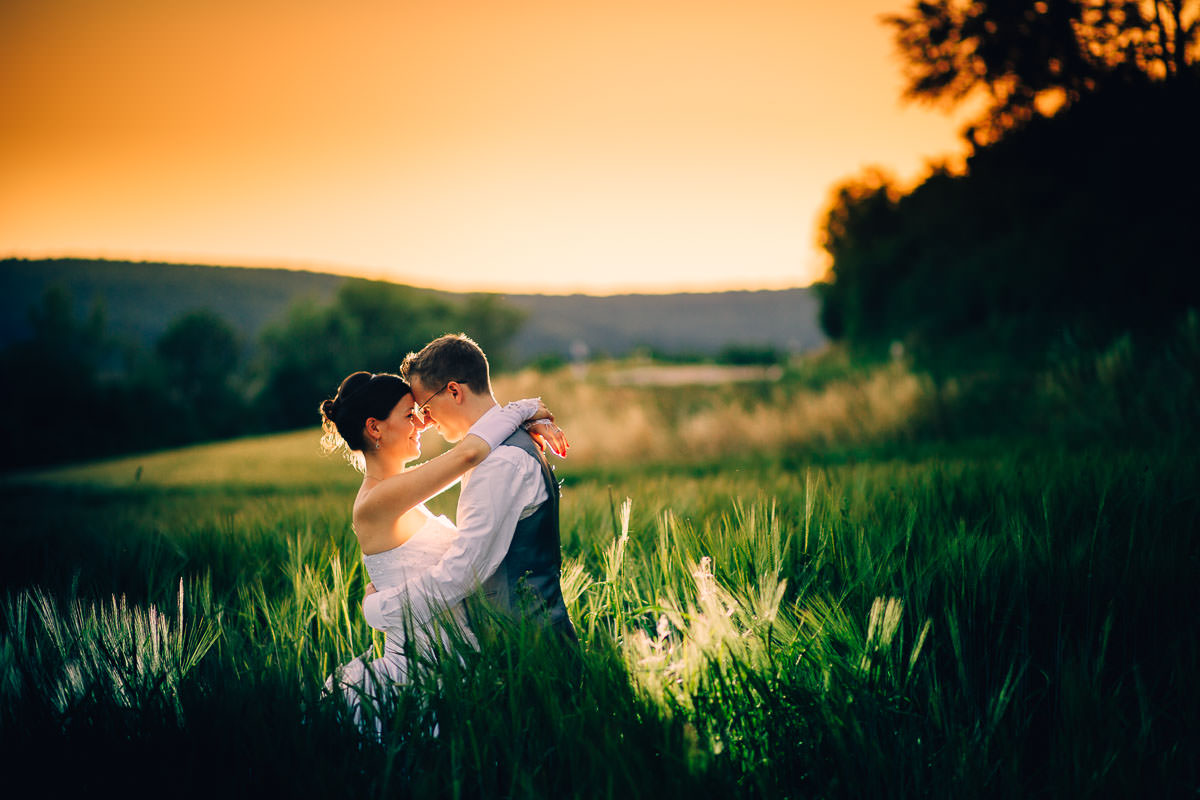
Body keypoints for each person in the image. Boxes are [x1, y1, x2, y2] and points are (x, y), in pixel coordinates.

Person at [318, 369, 567, 724]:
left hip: (452, 661)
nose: (422, 423)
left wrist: (522, 430)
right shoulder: (376, 500)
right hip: (419, 674)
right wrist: (526, 409)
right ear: (375, 428)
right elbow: (468, 455)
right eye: (409, 416)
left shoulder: (398, 492)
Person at [362, 333, 580, 650]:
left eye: (424, 407)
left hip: (528, 650)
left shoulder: (501, 463)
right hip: (521, 644)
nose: (425, 422)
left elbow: (464, 573)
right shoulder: (499, 449)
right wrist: (524, 408)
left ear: (453, 391)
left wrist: (379, 610)